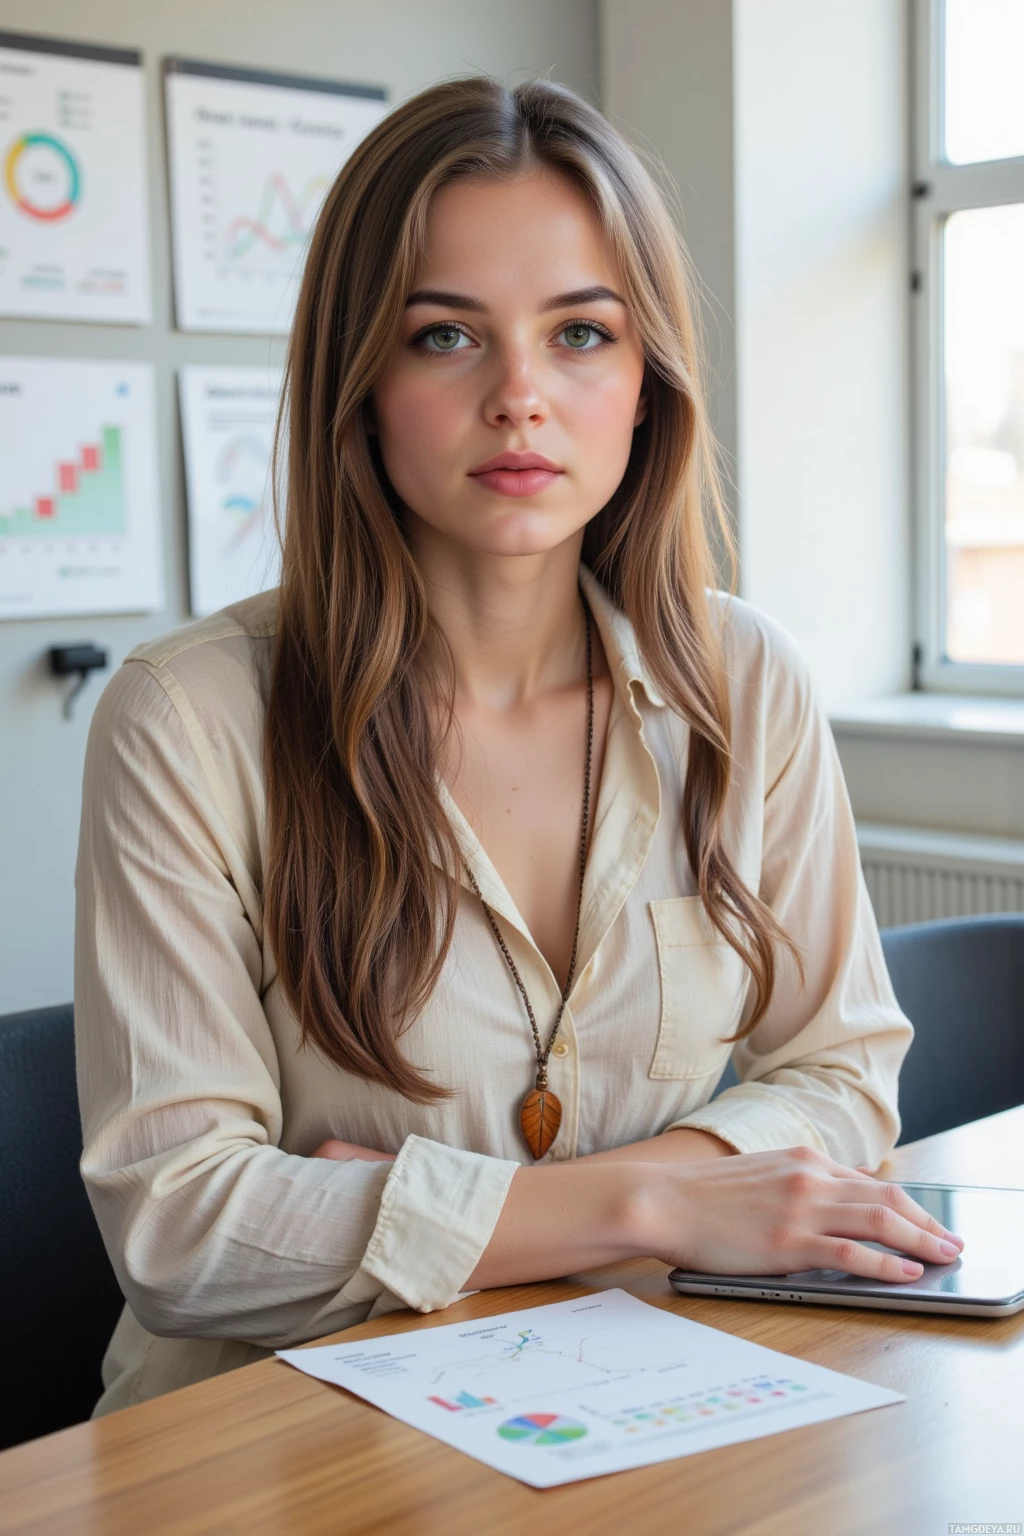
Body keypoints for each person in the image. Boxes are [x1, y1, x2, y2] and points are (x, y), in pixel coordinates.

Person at [75, 76, 963, 1416]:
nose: (521, 399)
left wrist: (422, 1207)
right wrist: (659, 1197)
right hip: (264, 1435)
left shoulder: (744, 677)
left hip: (624, 1388)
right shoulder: (188, 717)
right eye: (445, 337)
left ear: (648, 380)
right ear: (359, 379)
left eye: (581, 335)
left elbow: (843, 1076)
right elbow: (183, 1233)